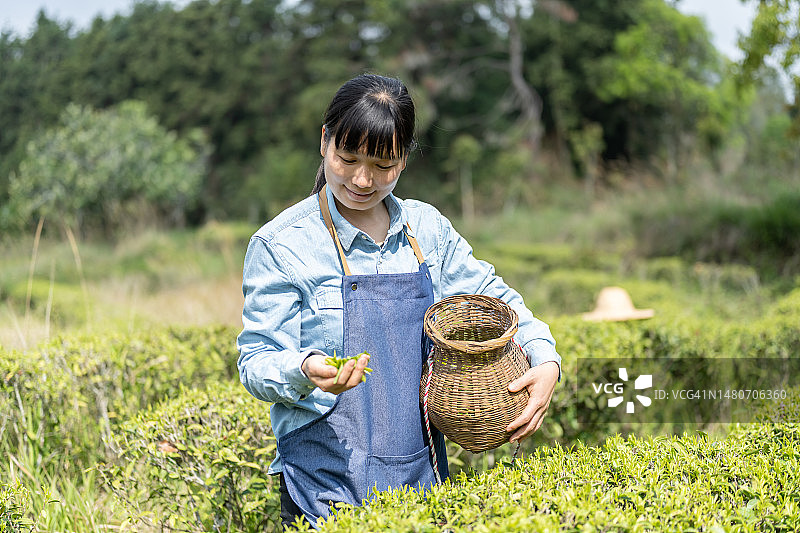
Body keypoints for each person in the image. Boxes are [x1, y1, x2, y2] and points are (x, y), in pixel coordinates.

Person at [237, 73, 561, 528]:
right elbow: (256, 361)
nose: (363, 180)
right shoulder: (282, 245)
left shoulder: (426, 231)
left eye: (382, 165)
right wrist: (305, 368)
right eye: (347, 159)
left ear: (404, 159)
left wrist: (545, 360)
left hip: (421, 480)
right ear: (324, 141)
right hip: (323, 486)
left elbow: (496, 297)